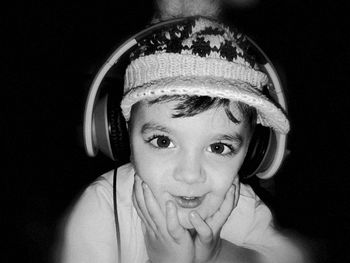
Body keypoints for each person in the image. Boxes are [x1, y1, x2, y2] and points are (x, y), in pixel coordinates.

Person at [56, 1, 306, 262]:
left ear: (255, 150)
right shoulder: (101, 210)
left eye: (218, 148)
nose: (190, 175)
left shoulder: (245, 208)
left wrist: (220, 253)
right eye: (163, 141)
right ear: (121, 134)